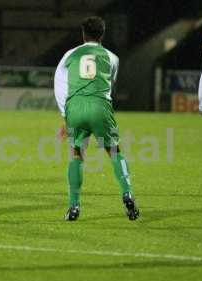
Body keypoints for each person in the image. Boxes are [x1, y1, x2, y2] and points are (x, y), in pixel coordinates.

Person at [54, 16, 139, 221]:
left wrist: (65, 115)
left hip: (75, 107)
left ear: (83, 34)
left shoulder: (70, 55)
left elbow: (59, 83)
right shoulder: (112, 57)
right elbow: (110, 85)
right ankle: (127, 192)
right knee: (114, 151)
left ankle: (74, 206)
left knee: (76, 154)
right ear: (102, 34)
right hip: (100, 105)